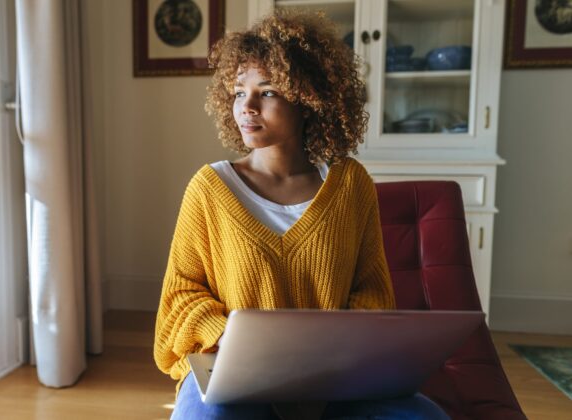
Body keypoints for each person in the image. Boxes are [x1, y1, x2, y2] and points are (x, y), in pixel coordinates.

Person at [153, 10, 450, 420]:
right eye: (239, 92)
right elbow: (181, 297)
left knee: (426, 418)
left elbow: (373, 294)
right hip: (233, 373)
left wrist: (333, 352)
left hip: (338, 378)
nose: (248, 106)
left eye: (268, 91)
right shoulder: (209, 189)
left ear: (309, 99)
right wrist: (228, 337)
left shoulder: (350, 185)